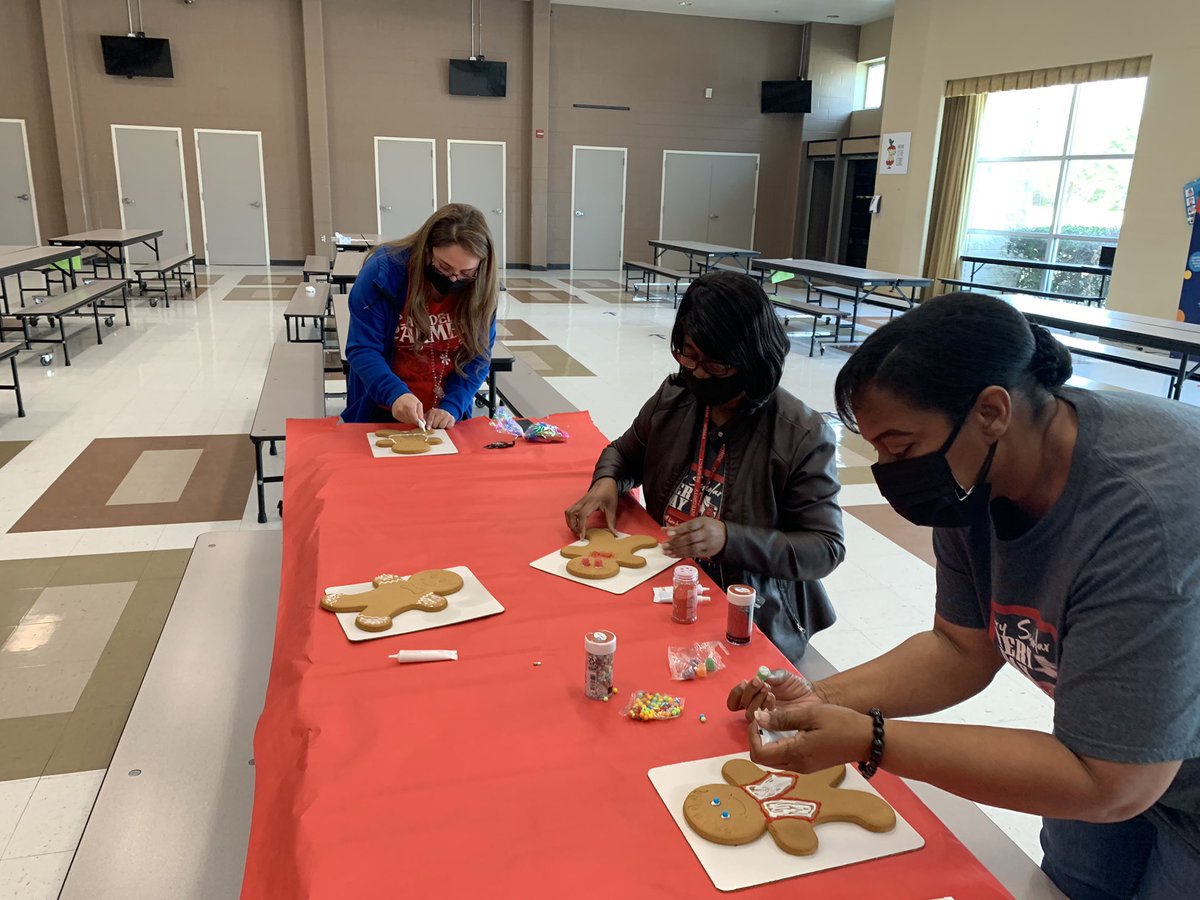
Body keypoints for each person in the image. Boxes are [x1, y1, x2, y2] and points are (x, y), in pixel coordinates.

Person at [728, 293, 1200, 899]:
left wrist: (871, 738)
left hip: (1156, 775)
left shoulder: (1141, 517)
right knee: (1073, 884)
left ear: (992, 411)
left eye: (901, 447)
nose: (891, 472)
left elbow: (1111, 785)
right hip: (1109, 741)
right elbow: (960, 648)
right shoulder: (972, 473)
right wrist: (819, 699)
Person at [564, 271, 845, 661]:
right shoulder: (676, 397)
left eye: (715, 364)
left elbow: (825, 547)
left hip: (746, 611)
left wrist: (730, 539)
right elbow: (625, 453)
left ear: (751, 358)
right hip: (664, 583)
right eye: (689, 354)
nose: (696, 372)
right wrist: (607, 481)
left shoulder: (801, 434)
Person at [343, 203, 498, 428]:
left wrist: (453, 406)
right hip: (382, 409)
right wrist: (394, 393)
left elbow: (478, 357)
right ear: (426, 250)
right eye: (444, 267)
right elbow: (363, 348)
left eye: (466, 272)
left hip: (444, 416)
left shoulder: (481, 287)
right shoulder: (383, 273)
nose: (453, 278)